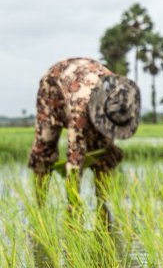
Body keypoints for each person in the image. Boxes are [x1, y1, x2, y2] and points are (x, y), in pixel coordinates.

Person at [26, 57, 140, 201]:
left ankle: (102, 202)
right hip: (54, 86)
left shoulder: (117, 93)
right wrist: (73, 203)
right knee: (45, 145)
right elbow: (75, 156)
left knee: (104, 150)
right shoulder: (80, 110)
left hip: (86, 83)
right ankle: (40, 206)